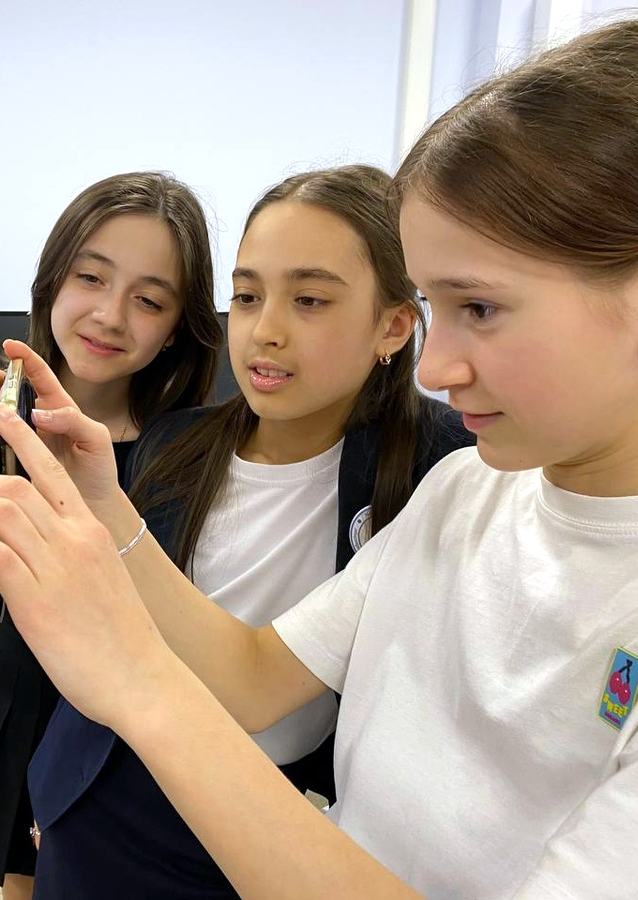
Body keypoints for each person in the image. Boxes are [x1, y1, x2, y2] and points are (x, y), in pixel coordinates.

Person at [0, 17, 638, 898]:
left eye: (481, 308)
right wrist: (106, 508)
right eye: (247, 295)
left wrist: (139, 684)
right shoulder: (466, 492)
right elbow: (258, 677)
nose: (437, 369)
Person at [24, 165, 474, 897]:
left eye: (309, 299)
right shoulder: (176, 443)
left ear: (394, 325)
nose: (265, 332)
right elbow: (112, 625)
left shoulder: (447, 467)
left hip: (265, 825)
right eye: (247, 295)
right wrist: (56, 789)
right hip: (105, 788)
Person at [0, 171, 222, 899]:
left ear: (177, 326)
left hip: (136, 709)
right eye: (90, 277)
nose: (109, 315)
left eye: (149, 300)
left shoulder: (193, 439)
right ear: (53, 279)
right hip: (21, 691)